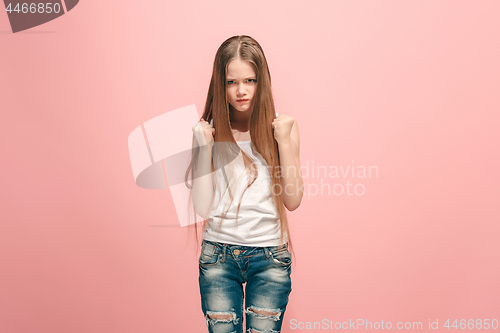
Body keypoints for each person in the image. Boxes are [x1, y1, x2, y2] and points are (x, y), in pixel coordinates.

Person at [185, 35, 303, 333]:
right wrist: (203, 147)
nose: (241, 91)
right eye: (231, 82)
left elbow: (292, 199)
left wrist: (283, 142)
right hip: (219, 257)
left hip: (269, 256)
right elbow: (202, 207)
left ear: (261, 81)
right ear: (219, 84)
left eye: (249, 80)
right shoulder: (207, 133)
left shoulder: (282, 127)